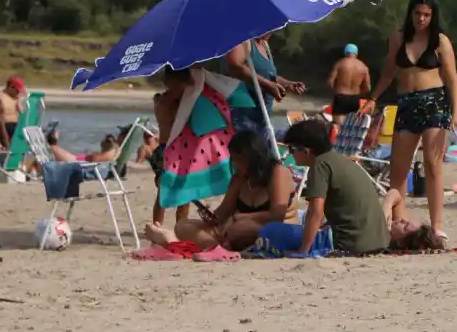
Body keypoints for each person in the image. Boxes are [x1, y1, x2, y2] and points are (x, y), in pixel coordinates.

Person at [365, 0, 457, 241]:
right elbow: (388, 73)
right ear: (410, 13)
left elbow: (452, 81)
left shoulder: (440, 41)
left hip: (435, 102)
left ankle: (437, 224)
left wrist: (456, 113)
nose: (421, 19)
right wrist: (373, 99)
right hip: (406, 103)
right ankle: (400, 223)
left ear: (433, 15)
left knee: (432, 164)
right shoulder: (398, 38)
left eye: (426, 14)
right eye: (417, 13)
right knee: (399, 169)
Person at [146, 129, 297, 252]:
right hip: (237, 231)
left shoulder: (277, 172)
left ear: (253, 157)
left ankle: (208, 246)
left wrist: (241, 217)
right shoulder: (240, 179)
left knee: (237, 228)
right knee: (182, 226)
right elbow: (224, 212)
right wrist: (212, 217)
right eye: (234, 159)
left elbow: (277, 215)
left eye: (239, 159)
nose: (236, 164)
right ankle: (217, 248)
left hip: (277, 230)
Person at [271, 117, 389, 255]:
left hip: (349, 245)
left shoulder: (320, 165)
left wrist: (303, 250)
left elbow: (315, 212)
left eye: (292, 149)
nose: (291, 153)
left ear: (306, 151)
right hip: (378, 242)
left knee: (272, 230)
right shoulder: (340, 160)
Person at [222, 34, 306, 133]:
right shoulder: (243, 40)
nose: (271, 32)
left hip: (263, 119)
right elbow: (235, 66)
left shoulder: (264, 44)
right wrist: (266, 85)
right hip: (241, 117)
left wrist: (288, 84)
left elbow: (269, 76)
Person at [146, 68, 194, 238]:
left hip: (177, 151)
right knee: (164, 194)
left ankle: (181, 230)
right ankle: (157, 229)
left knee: (184, 195)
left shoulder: (173, 101)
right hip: (167, 151)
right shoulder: (166, 101)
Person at [327, 44, 372, 124]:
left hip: (341, 97)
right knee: (350, 128)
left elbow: (330, 82)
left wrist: (334, 93)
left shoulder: (340, 63)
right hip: (354, 99)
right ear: (356, 53)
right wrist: (359, 94)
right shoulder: (363, 67)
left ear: (345, 52)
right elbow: (368, 88)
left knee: (338, 126)